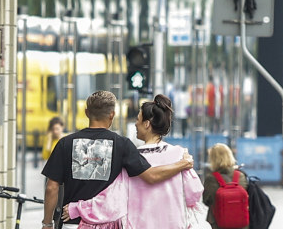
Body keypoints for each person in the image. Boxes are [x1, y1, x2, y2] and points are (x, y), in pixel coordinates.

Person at [42, 91, 194, 229]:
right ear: (112, 115)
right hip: (108, 225)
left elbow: (51, 188)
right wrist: (182, 164)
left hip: (72, 222)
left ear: (87, 112)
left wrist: (47, 223)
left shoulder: (65, 143)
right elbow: (151, 176)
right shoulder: (122, 145)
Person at [203, 143, 248, 229]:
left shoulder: (211, 178)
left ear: (213, 159)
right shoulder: (241, 176)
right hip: (241, 224)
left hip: (218, 223)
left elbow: (207, 200)